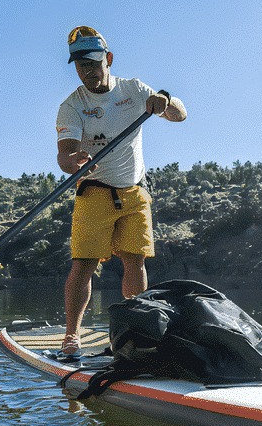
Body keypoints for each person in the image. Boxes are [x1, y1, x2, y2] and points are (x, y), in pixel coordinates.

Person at [55, 26, 187, 358]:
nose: (87, 71)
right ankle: (72, 337)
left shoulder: (133, 90)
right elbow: (64, 155)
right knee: (84, 265)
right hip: (94, 193)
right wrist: (74, 162)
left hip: (134, 192)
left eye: (93, 63)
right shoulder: (71, 106)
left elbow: (180, 115)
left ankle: (137, 332)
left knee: (135, 262)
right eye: (80, 65)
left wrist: (165, 100)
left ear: (108, 60)